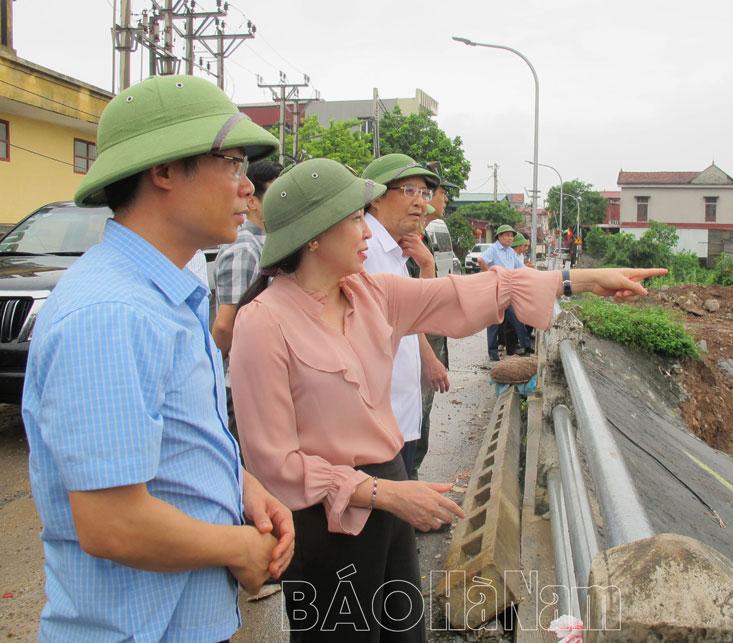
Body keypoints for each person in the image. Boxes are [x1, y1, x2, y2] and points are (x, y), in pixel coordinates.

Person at [228, 158, 666, 640]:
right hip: (325, 518)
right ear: (313, 236)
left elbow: (466, 292)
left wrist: (581, 281)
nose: (367, 231)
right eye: (354, 218)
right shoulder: (263, 323)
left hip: (390, 493)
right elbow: (274, 464)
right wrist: (388, 495)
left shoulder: (371, 294)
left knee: (403, 633)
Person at [21, 75, 295, 642]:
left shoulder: (172, 286)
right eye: (233, 164)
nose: (248, 188)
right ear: (164, 171)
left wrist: (241, 487)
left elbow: (174, 436)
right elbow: (114, 524)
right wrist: (240, 546)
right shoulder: (111, 312)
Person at [360, 153, 449, 478]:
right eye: (409, 191)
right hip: (376, 421)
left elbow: (415, 317)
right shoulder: (364, 250)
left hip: (398, 412)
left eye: (424, 194)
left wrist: (426, 266)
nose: (420, 203)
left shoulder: (396, 251)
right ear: (377, 198)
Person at [213, 158, 283, 437]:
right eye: (277, 195)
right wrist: (218, 377)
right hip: (240, 387)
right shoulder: (245, 248)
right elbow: (224, 325)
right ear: (252, 201)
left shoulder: (269, 243)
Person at [410, 163, 457, 480]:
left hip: (430, 343)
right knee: (414, 420)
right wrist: (429, 359)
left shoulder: (424, 237)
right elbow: (409, 313)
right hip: (418, 346)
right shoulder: (410, 244)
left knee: (420, 418)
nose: (445, 199)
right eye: (441, 192)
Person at [479, 224, 533, 359]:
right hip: (495, 290)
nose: (510, 238)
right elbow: (481, 260)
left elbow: (520, 268)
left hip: (508, 290)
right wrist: (489, 275)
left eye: (512, 236)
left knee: (517, 317)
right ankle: (492, 353)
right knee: (493, 321)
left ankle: (526, 346)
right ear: (500, 236)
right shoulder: (493, 249)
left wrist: (533, 273)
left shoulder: (510, 251)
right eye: (508, 235)